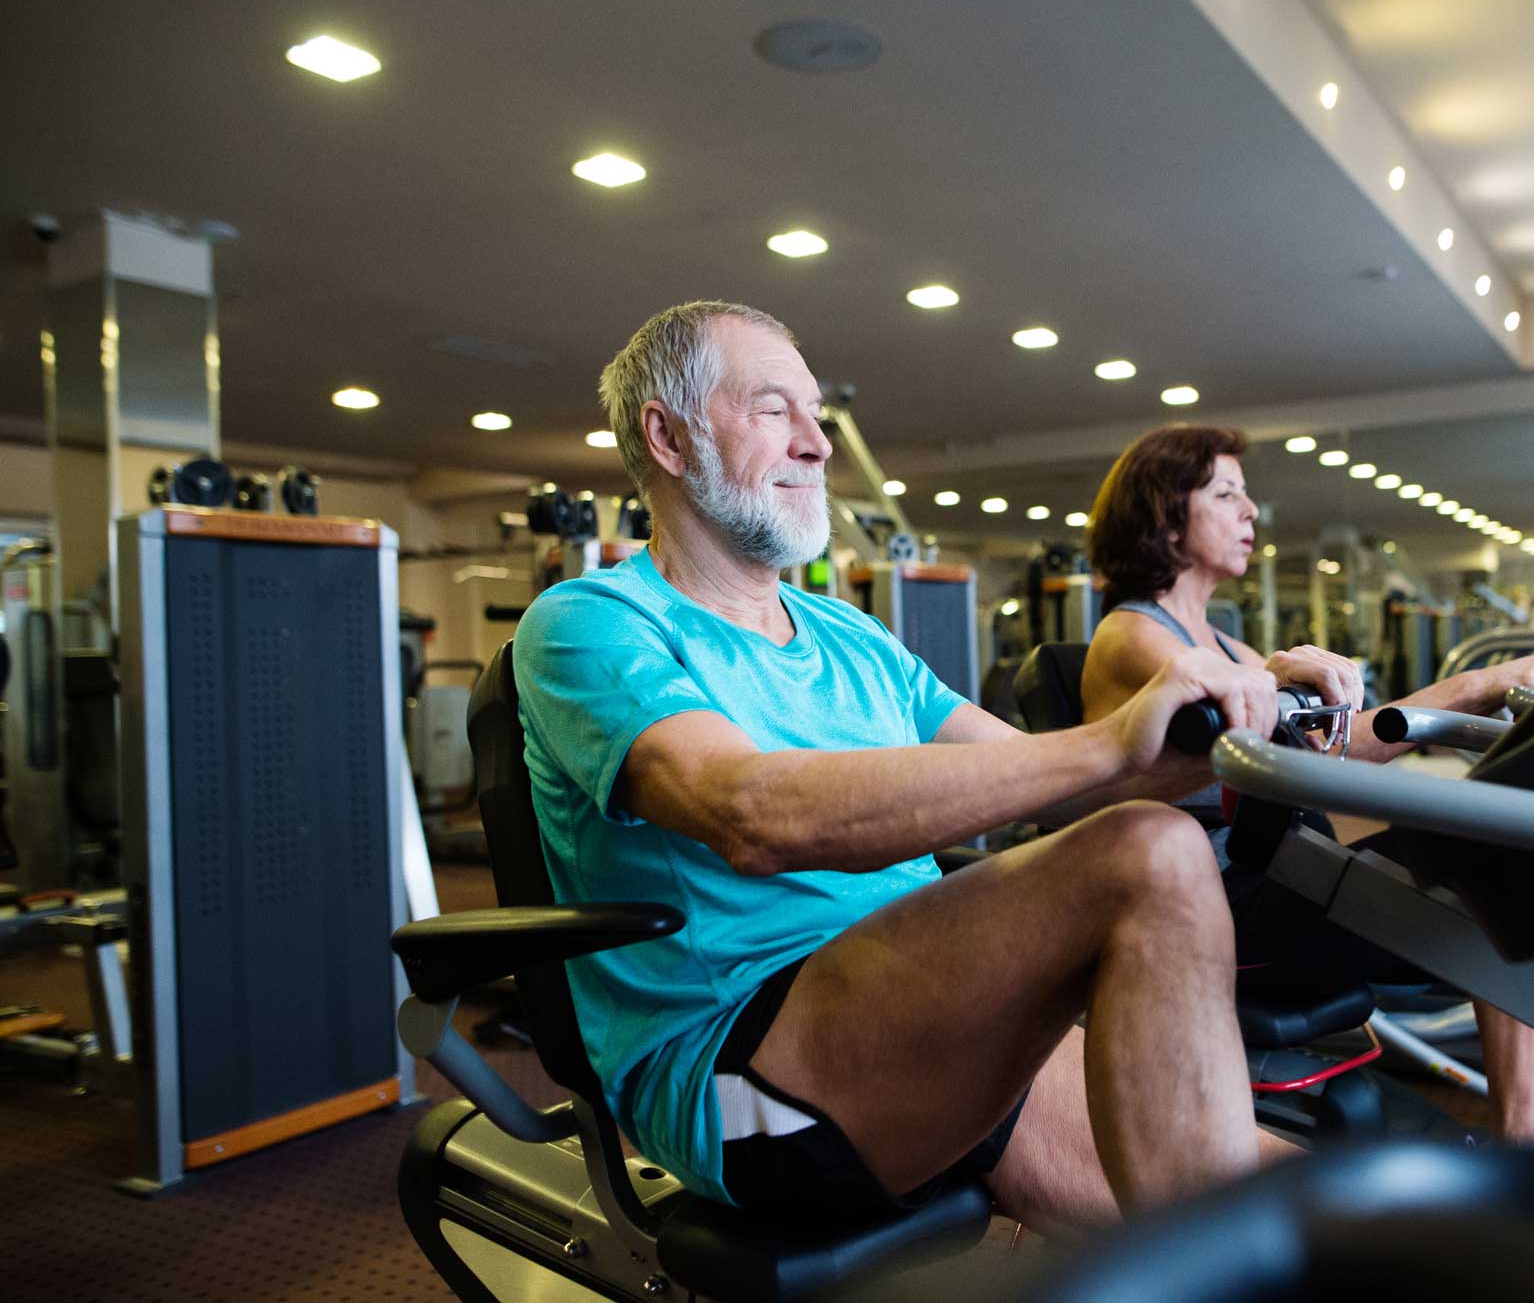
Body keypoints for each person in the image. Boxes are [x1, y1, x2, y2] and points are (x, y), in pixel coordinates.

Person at [512, 301, 1300, 1238]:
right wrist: (1109, 740)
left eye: (816, 415)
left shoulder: (849, 632)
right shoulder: (591, 621)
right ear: (668, 437)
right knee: (1151, 853)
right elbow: (751, 813)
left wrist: (1256, 716)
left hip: (918, 1000)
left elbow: (1058, 779)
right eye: (774, 411)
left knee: (1316, 1215)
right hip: (745, 1062)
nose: (816, 445)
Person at [1079, 425, 1534, 1150]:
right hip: (1214, 911)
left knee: (1503, 854)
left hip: (1277, 874)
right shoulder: (1131, 636)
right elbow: (1235, 722)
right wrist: (1472, 685)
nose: (1252, 512)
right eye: (1226, 494)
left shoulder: (1225, 643)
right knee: (1491, 875)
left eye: (1248, 495)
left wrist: (1475, 692)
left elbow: (1329, 752)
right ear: (1164, 517)